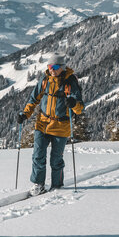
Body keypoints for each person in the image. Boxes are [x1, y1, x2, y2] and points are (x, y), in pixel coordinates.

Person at [17, 53, 84, 195]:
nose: (51, 69)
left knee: (56, 160)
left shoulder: (70, 82)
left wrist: (73, 103)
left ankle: (57, 186)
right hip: (42, 123)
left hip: (61, 127)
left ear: (62, 67)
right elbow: (33, 99)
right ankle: (38, 184)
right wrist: (25, 114)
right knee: (38, 155)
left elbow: (79, 109)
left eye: (54, 67)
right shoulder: (45, 80)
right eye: (49, 66)